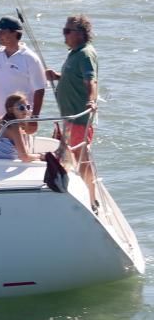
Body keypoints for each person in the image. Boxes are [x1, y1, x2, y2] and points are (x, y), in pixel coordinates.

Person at [45, 14, 98, 204]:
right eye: (63, 30)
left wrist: (91, 101)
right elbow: (74, 77)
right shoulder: (74, 53)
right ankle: (83, 192)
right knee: (72, 154)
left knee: (81, 157)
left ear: (81, 34)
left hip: (78, 119)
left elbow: (90, 80)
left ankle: (91, 198)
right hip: (68, 117)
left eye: (68, 31)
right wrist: (57, 76)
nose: (64, 35)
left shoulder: (85, 53)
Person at [0, 16, 45, 134]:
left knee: (18, 152)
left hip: (19, 121)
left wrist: (34, 118)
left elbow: (39, 90)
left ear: (14, 33)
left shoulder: (30, 58)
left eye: (1, 32)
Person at [0, 93, 42, 162]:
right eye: (21, 108)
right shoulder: (14, 127)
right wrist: (41, 155)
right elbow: (24, 157)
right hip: (7, 163)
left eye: (27, 107)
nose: (25, 110)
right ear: (10, 110)